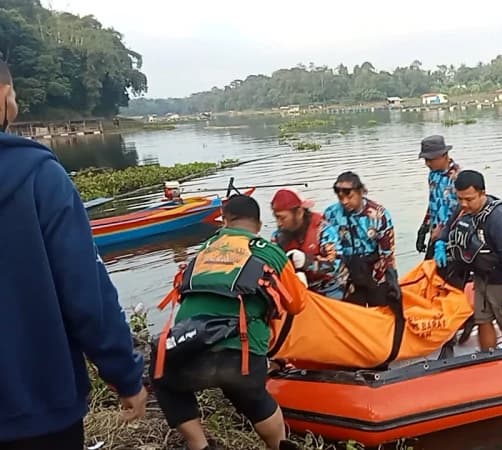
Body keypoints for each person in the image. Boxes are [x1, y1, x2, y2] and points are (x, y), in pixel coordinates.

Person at [0, 60, 148, 449]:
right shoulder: (38, 176)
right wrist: (125, 375)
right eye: (13, 95)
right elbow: (87, 296)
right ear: (3, 96)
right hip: (39, 407)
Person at [150, 195, 307, 450]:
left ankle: (199, 444)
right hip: (241, 353)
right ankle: (279, 444)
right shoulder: (269, 252)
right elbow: (297, 305)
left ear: (225, 220)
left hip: (190, 347)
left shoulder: (204, 249)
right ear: (258, 224)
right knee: (254, 397)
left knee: (163, 378)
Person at [434, 170, 502, 351]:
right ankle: (488, 358)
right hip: (482, 274)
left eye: (469, 199)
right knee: (482, 319)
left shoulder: (499, 218)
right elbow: (449, 226)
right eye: (460, 198)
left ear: (482, 193)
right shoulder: (463, 208)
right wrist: (440, 242)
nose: (464, 204)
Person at [323, 171, 400, 308]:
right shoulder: (331, 215)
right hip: (347, 276)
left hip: (374, 273)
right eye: (340, 198)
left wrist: (392, 279)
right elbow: (330, 250)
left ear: (360, 192)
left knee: (379, 314)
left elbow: (387, 253)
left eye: (349, 196)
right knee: (352, 317)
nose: (345, 202)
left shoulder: (378, 215)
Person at [270, 187, 348, 299]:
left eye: (282, 218)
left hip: (331, 290)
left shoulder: (324, 231)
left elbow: (334, 265)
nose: (279, 223)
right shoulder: (277, 236)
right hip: (297, 291)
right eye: (276, 218)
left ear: (299, 213)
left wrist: (307, 262)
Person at [416, 135, 461, 260]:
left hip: (452, 235)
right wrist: (424, 228)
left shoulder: (457, 177)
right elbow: (433, 203)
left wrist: (442, 229)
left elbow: (461, 210)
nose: (427, 163)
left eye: (431, 159)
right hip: (435, 233)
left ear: (444, 155)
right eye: (425, 160)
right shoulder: (433, 175)